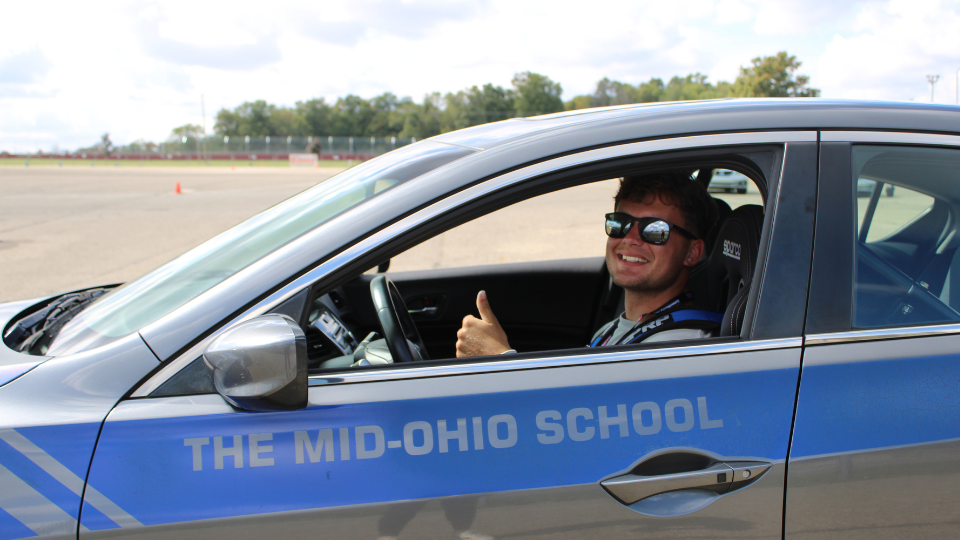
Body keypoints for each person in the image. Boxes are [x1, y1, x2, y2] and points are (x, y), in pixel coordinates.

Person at [455, 171, 720, 357]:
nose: (630, 238)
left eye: (655, 230)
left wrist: (501, 360)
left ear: (692, 252)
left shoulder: (679, 348)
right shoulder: (616, 329)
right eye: (620, 223)